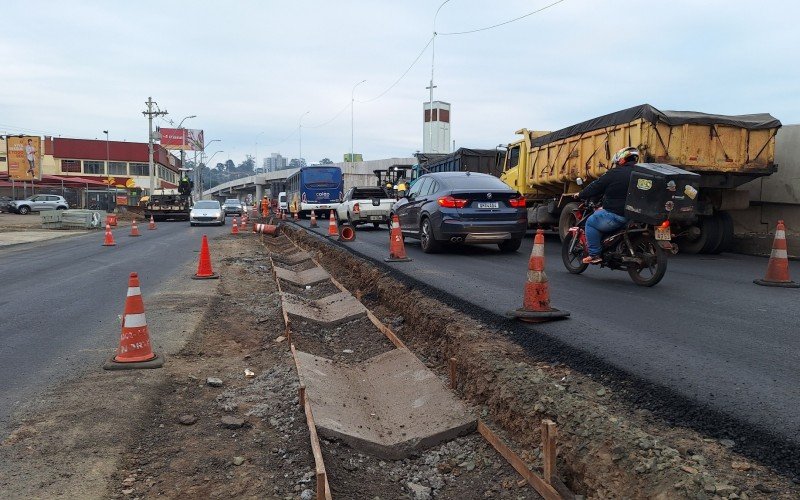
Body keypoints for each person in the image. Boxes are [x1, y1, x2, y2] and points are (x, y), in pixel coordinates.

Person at [575, 146, 639, 264]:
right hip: (637, 216)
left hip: (618, 214)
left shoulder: (614, 173)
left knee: (591, 222)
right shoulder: (642, 172)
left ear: (622, 160)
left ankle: (594, 254)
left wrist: (581, 194)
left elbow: (596, 186)